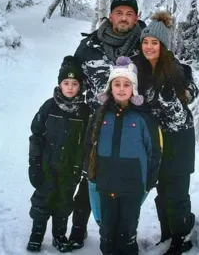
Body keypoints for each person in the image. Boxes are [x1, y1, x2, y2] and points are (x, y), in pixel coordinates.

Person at [68, 0, 144, 248]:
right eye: (119, 13)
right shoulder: (90, 45)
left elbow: (166, 68)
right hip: (93, 123)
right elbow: (72, 74)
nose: (123, 18)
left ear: (136, 18)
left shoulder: (144, 46)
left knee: (128, 178)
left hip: (130, 123)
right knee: (88, 176)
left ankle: (123, 230)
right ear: (110, 16)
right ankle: (78, 230)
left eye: (129, 14)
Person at [136, 12, 199, 255]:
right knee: (162, 192)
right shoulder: (137, 69)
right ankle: (167, 234)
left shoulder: (179, 70)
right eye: (145, 42)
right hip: (153, 142)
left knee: (176, 192)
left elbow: (191, 94)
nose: (149, 47)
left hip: (179, 140)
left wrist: (176, 97)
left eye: (154, 43)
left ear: (163, 46)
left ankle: (181, 238)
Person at [85, 57, 162, 255]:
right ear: (110, 87)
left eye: (126, 84)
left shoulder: (143, 117)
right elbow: (88, 145)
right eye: (117, 84)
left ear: (133, 88)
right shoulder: (100, 115)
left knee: (127, 228)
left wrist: (151, 177)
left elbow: (154, 150)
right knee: (107, 229)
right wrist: (90, 171)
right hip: (106, 182)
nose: (121, 89)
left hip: (132, 185)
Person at [27, 56, 90, 253]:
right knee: (42, 200)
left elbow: (87, 143)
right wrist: (34, 164)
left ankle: (59, 235)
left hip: (70, 169)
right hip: (47, 166)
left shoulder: (84, 111)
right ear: (59, 84)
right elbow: (36, 135)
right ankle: (36, 234)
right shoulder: (49, 106)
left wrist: (81, 166)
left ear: (80, 86)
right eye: (66, 83)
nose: (70, 87)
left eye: (74, 83)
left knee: (64, 202)